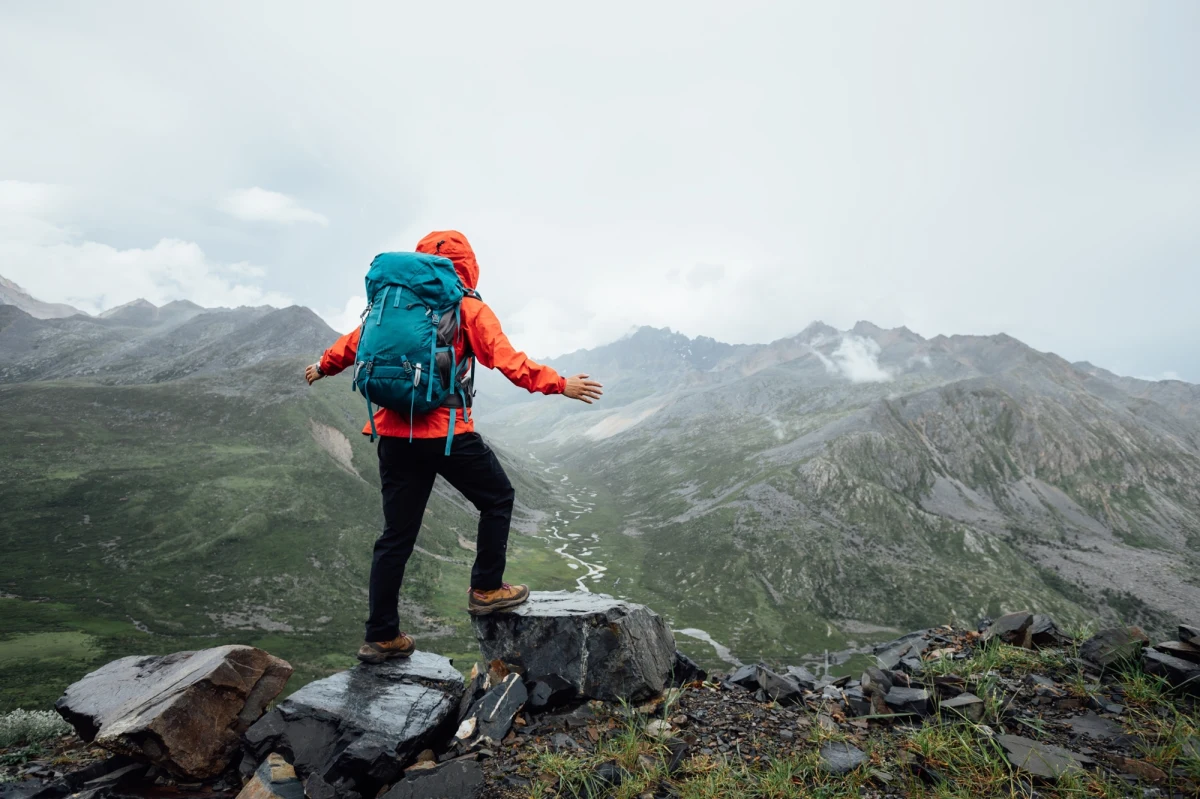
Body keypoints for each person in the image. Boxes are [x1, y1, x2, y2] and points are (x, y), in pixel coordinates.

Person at [305, 230, 603, 663]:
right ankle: (485, 589)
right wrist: (561, 384)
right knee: (498, 497)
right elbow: (507, 360)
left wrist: (320, 366)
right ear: (468, 265)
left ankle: (381, 635)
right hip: (447, 434)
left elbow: (352, 345)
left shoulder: (393, 303)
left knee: (396, 536)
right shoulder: (467, 307)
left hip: (393, 435)